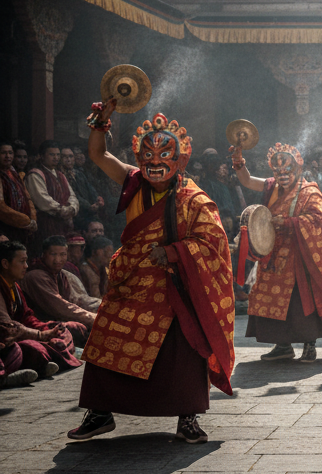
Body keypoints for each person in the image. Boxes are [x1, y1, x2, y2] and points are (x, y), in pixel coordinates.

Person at [67, 104, 236, 443]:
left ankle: (187, 417)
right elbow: (98, 154)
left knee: (182, 349)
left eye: (164, 157)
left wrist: (173, 251)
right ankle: (100, 412)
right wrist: (101, 121)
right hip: (131, 279)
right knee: (106, 338)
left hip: (171, 284)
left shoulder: (194, 198)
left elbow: (213, 241)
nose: (155, 164)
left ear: (181, 161)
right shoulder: (133, 180)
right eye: (148, 157)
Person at [233, 142, 322, 362]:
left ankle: (309, 345)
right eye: (278, 172)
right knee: (269, 297)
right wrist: (239, 162)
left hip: (300, 257)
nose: (282, 176)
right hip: (273, 255)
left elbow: (319, 222)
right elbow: (246, 180)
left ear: (298, 169)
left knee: (300, 301)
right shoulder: (272, 187)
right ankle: (282, 345)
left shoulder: (309, 191)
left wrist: (288, 223)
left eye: (287, 171)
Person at [1, 236, 82, 376]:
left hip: (23, 334)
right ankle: (9, 376)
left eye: (26, 261)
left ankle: (49, 359)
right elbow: (8, 328)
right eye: (21, 262)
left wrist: (48, 330)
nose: (26, 266)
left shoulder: (14, 286)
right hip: (7, 341)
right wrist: (41, 334)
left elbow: (27, 317)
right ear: (5, 264)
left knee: (62, 332)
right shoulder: (33, 276)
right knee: (30, 350)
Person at [22, 235, 95, 335]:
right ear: (43, 254)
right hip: (40, 326)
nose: (58, 259)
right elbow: (60, 307)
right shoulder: (35, 276)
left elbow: (75, 299)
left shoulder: (62, 274)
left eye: (62, 254)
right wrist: (92, 317)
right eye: (53, 254)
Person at [25, 140, 78, 242]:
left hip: (62, 224)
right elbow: (42, 199)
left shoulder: (60, 175)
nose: (56, 158)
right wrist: (62, 210)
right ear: (42, 156)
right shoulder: (35, 174)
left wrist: (72, 208)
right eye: (52, 154)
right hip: (45, 223)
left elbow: (72, 195)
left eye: (58, 155)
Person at [0, 140, 37, 246]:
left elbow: (27, 198)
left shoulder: (15, 173)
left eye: (10, 153)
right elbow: (1, 208)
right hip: (5, 229)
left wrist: (33, 218)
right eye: (3, 153)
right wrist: (26, 221)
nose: (7, 156)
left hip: (22, 228)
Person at [80, 235, 114, 301]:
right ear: (96, 252)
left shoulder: (103, 269)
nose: (110, 256)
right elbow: (95, 297)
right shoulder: (86, 269)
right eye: (107, 252)